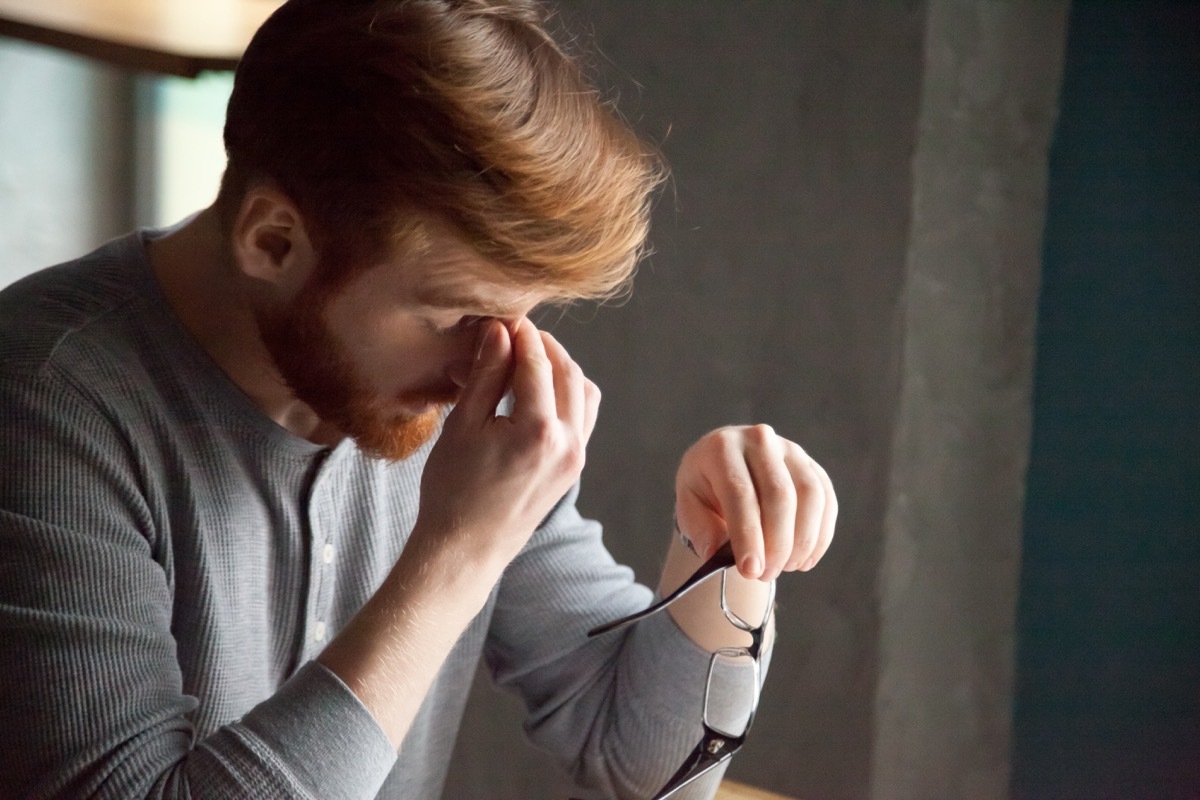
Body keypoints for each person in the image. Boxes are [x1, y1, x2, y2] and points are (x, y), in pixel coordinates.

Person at [0, 1, 837, 798]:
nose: (490, 363)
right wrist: (457, 551)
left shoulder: (441, 399)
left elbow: (644, 761)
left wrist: (723, 550)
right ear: (273, 240)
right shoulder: (45, 403)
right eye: (454, 315)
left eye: (518, 315)